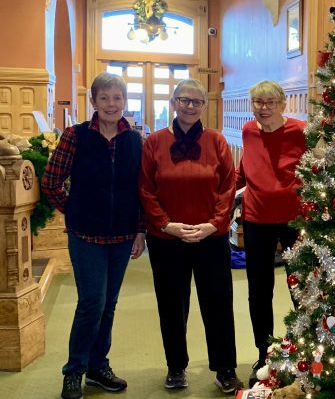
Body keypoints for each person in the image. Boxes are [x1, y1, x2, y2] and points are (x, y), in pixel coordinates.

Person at [41, 72, 146, 399]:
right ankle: (74, 371)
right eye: (105, 98)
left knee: (110, 304)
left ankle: (99, 367)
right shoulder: (75, 136)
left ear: (124, 101)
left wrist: (140, 230)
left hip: (122, 235)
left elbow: (140, 190)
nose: (112, 104)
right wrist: (72, 212)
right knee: (91, 303)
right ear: (95, 102)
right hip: (86, 236)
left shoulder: (134, 139)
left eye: (117, 98)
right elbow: (51, 182)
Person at [138, 79, 242, 394]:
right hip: (167, 239)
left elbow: (228, 185)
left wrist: (214, 224)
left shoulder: (217, 141)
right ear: (173, 102)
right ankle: (176, 367)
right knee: (171, 305)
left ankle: (225, 368)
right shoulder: (154, 142)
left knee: (218, 303)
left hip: (210, 237)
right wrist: (166, 224)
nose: (190, 106)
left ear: (204, 106)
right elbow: (145, 188)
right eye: (184, 100)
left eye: (196, 101)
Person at [235, 80, 307, 386]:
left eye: (270, 103)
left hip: (294, 221)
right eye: (258, 103)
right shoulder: (249, 130)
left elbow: (317, 169)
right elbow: (245, 169)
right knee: (259, 291)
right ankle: (264, 354)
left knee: (301, 289)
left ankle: (307, 352)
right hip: (257, 218)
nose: (264, 109)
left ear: (283, 104)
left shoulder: (302, 130)